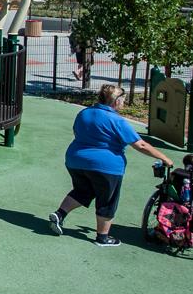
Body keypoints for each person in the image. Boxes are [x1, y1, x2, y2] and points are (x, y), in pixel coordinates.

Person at [48, 84, 175, 247]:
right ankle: (102, 237)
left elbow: (77, 132)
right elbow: (141, 145)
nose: (123, 103)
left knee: (83, 191)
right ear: (116, 101)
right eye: (123, 100)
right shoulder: (116, 120)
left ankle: (60, 214)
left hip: (75, 160)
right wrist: (165, 158)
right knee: (107, 200)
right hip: (106, 166)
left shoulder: (84, 113)